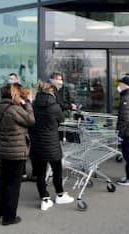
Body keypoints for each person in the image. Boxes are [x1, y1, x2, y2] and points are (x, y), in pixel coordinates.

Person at [0, 83, 35, 225]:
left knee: (3, 181)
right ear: (14, 94)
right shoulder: (14, 109)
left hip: (3, 149)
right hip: (16, 151)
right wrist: (27, 103)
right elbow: (30, 120)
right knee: (13, 185)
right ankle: (9, 217)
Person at [30, 81, 73, 211]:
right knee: (57, 171)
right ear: (51, 92)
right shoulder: (54, 107)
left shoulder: (33, 105)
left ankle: (44, 199)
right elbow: (61, 120)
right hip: (52, 143)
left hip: (37, 143)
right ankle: (60, 195)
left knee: (40, 174)